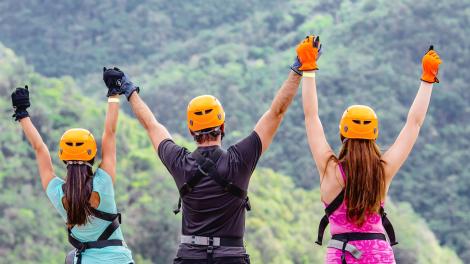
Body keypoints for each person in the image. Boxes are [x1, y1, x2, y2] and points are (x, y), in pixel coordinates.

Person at [100, 39, 310, 263]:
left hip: (190, 256)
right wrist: (298, 69)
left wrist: (129, 89)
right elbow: (276, 112)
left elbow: (151, 125)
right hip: (231, 257)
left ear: (192, 130)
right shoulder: (239, 160)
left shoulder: (180, 162)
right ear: (222, 126)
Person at [300, 35, 442, 263]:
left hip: (342, 254)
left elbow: (311, 116)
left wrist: (308, 68)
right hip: (379, 255)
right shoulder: (383, 170)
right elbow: (413, 124)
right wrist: (427, 80)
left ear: (342, 133)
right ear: (374, 135)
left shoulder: (329, 168)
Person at [11, 70, 135, 264]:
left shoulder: (58, 193)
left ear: (62, 157)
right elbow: (109, 133)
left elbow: (39, 149)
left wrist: (22, 114)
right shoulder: (104, 181)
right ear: (93, 155)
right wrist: (113, 93)